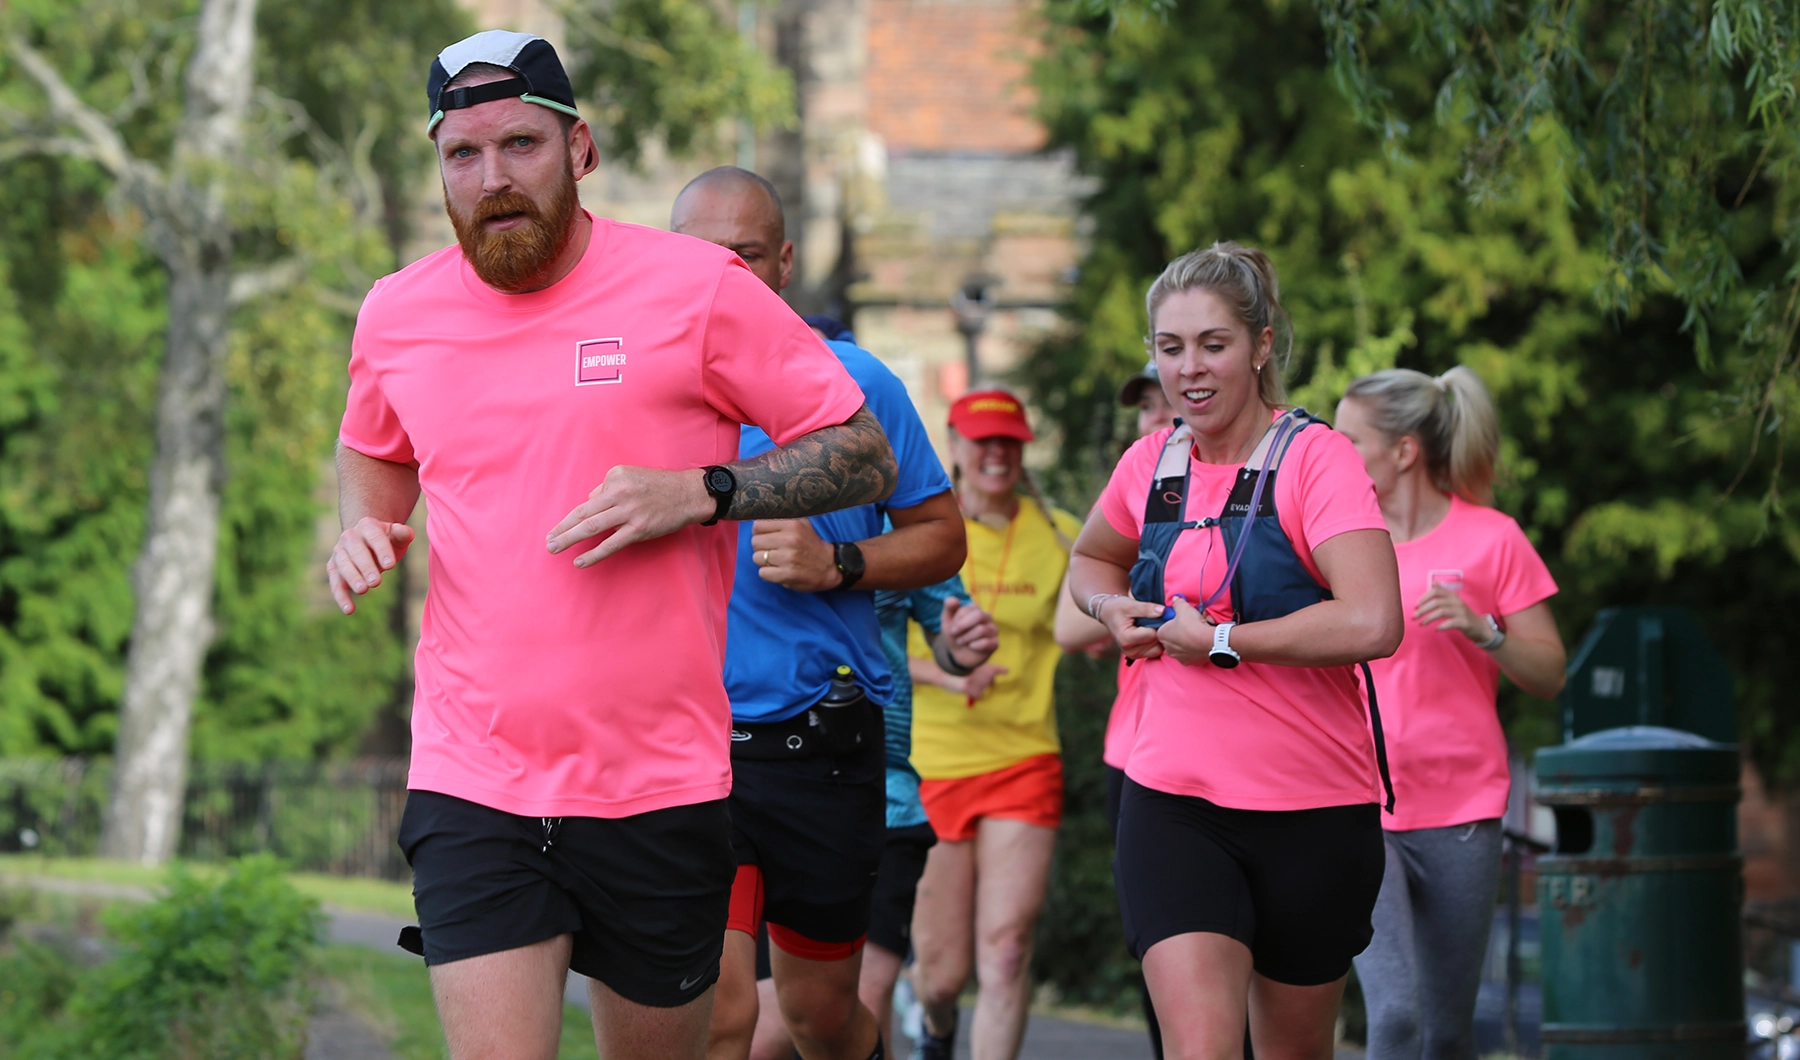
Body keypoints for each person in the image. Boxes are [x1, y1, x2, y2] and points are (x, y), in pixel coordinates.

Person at [328, 36, 896, 1060]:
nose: (493, 178)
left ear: (579, 148)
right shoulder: (396, 314)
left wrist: (705, 490)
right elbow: (372, 448)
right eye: (463, 154)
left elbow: (861, 455)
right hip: (474, 778)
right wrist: (362, 525)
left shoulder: (698, 289)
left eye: (520, 144)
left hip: (657, 783)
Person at [669, 167, 982, 1060]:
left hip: (821, 742)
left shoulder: (854, 386)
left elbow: (942, 536)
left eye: (748, 255)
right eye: (702, 256)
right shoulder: (644, 394)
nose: (723, 276)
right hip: (691, 743)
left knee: (817, 1019)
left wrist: (838, 563)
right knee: (722, 1013)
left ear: (785, 264)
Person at [1066, 241, 1403, 1060]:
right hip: (1172, 799)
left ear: (1259, 346)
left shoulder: (1315, 459)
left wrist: (1219, 640)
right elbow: (1089, 561)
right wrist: (1112, 609)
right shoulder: (1151, 461)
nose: (1190, 369)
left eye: (1213, 345)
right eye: (1170, 348)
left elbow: (1373, 621)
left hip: (1312, 809)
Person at [1336, 367, 1566, 1060]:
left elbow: (1551, 673)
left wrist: (1485, 630)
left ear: (1403, 451)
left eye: (1351, 442)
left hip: (1462, 812)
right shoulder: (1341, 542)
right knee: (1397, 1016)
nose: (1334, 455)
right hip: (1360, 807)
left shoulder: (1492, 540)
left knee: (1444, 1033)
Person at [907, 391, 1084, 1060]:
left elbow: (1090, 617)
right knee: (942, 974)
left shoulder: (1062, 533)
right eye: (983, 440)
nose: (996, 454)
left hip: (1024, 756)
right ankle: (935, 1027)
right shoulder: (921, 528)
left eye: (1008, 441)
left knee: (1007, 951)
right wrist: (949, 676)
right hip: (934, 762)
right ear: (954, 446)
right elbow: (876, 643)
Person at [1052, 357, 1179, 1060]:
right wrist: (1137, 595)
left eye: (1165, 407)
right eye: (1144, 409)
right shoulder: (1136, 501)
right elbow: (1068, 627)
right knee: (1159, 948)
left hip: (1234, 757)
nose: (1154, 421)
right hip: (1135, 756)